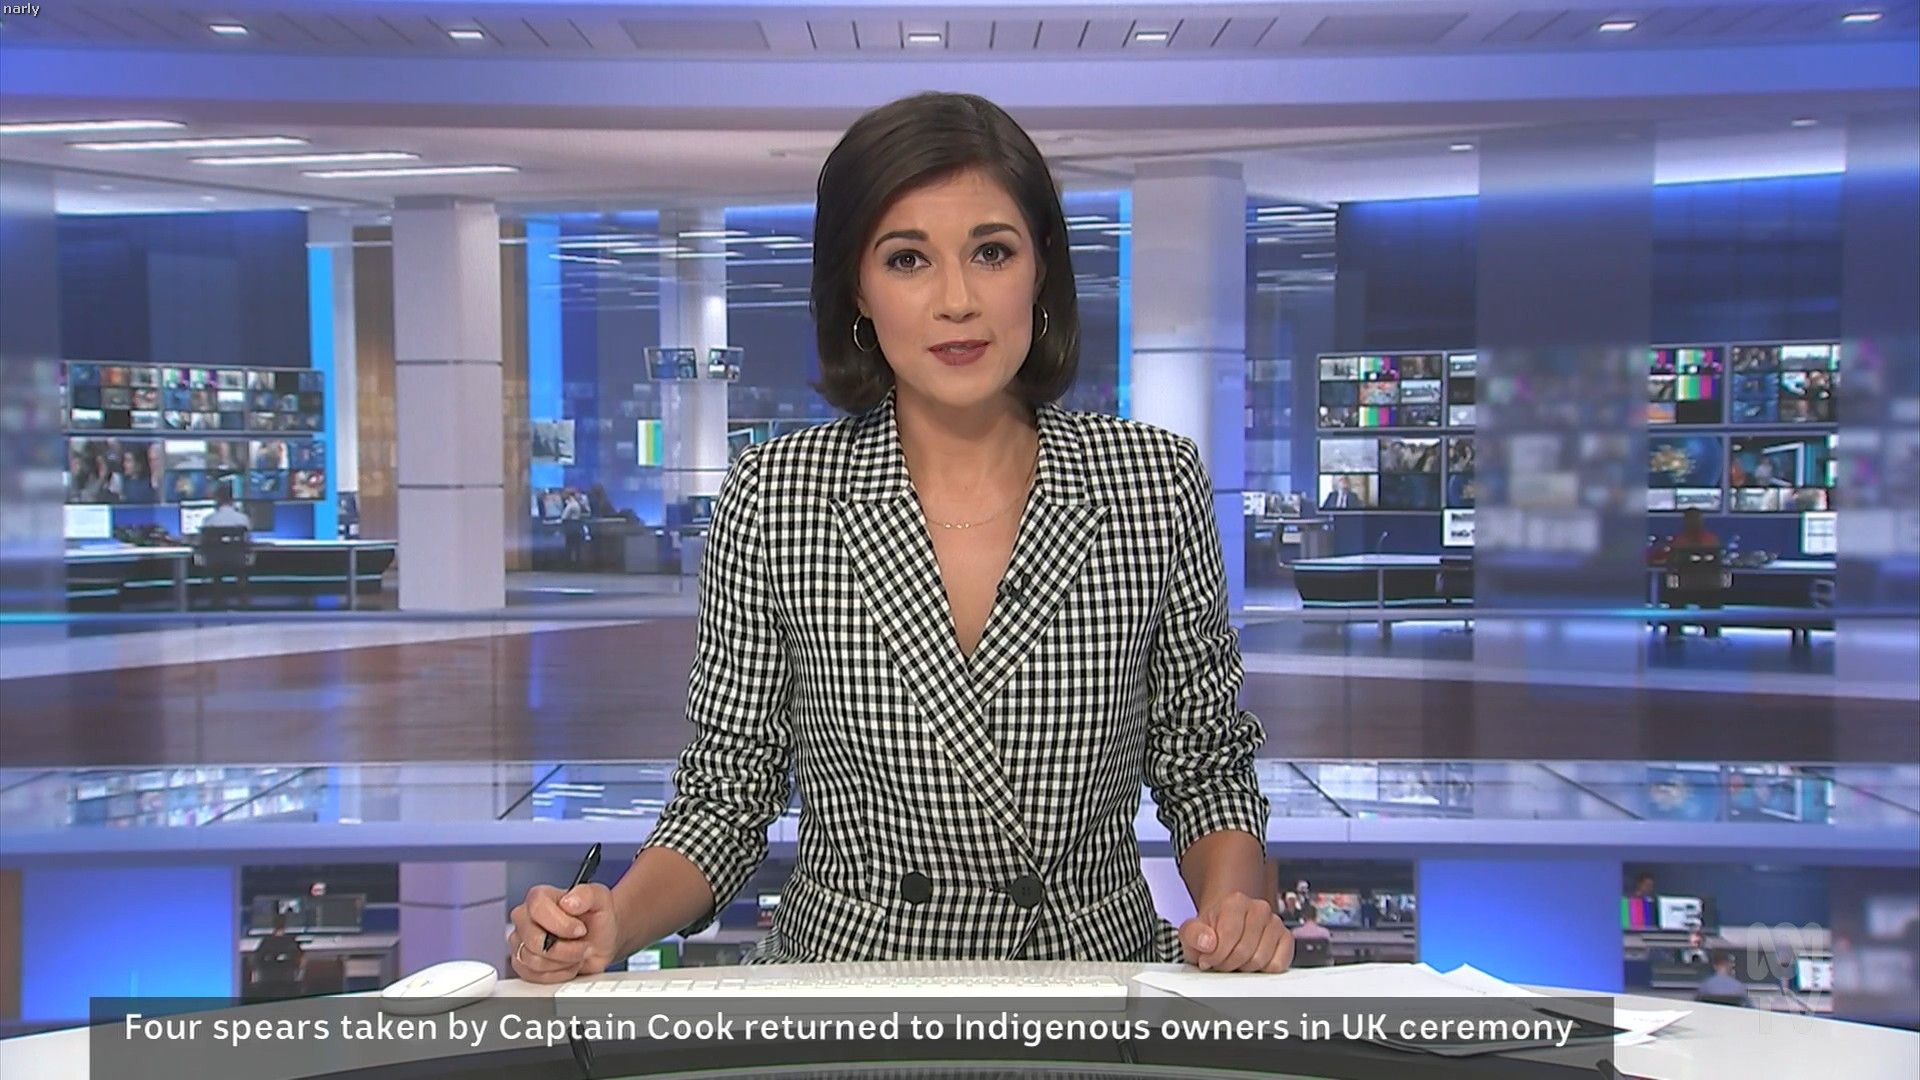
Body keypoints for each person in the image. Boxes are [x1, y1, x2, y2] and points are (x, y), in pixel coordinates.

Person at [509, 91, 1284, 981]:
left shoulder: (1150, 483)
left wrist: (1235, 910)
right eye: (908, 259)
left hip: (1087, 987)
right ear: (858, 290)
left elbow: (1205, 766)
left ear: (1041, 269)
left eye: (992, 252)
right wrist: (613, 922)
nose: (958, 301)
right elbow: (725, 797)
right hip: (846, 993)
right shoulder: (778, 496)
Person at [1664, 509, 1724, 639]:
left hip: (1688, 588)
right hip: (1704, 588)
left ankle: (1675, 634)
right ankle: (1711, 634)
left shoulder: (1680, 541)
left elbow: (1670, 563)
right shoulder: (1711, 540)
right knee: (1677, 599)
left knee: (1674, 599)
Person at [559, 488, 587, 567]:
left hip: (571, 527)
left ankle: (569, 564)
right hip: (577, 527)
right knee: (577, 546)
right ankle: (577, 563)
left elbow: (564, 517)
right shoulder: (577, 504)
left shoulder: (571, 505)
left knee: (569, 546)